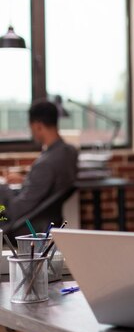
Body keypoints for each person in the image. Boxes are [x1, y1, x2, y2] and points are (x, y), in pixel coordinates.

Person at [0, 100, 78, 237]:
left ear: (38, 126)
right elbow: (45, 185)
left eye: (31, 128)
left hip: (28, 226)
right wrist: (26, 180)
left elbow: (14, 210)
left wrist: (3, 187)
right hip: (48, 219)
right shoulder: (70, 152)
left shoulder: (45, 164)